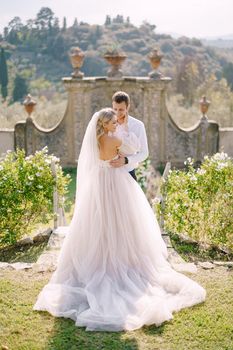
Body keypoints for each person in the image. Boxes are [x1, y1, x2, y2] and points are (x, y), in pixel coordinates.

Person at [33, 108, 206, 332]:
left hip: (99, 183)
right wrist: (125, 135)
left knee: (99, 222)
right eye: (113, 121)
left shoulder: (95, 140)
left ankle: (101, 259)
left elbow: (97, 160)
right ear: (105, 124)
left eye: (117, 120)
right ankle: (122, 261)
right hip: (117, 183)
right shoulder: (115, 138)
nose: (116, 123)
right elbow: (133, 149)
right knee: (123, 222)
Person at [110, 91, 148, 180]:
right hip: (109, 173)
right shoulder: (107, 123)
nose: (117, 113)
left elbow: (144, 153)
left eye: (121, 110)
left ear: (128, 107)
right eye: (115, 109)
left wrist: (126, 160)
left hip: (129, 173)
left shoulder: (138, 125)